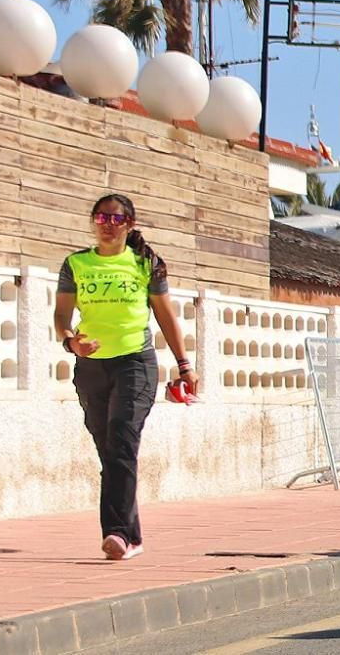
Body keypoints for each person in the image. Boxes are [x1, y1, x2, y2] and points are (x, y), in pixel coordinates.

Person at [54, 193, 199, 561]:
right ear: (93, 221)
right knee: (110, 452)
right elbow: (60, 317)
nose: (107, 225)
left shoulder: (145, 264)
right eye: (101, 218)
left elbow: (166, 317)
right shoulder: (76, 264)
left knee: (121, 442)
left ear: (129, 225)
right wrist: (71, 342)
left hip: (135, 363)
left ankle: (116, 534)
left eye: (116, 219)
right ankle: (132, 535)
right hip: (91, 367)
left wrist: (185, 365)